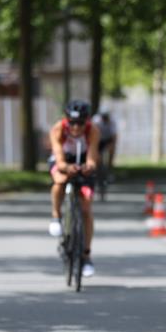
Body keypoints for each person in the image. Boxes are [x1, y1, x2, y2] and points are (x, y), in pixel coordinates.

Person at [48, 100, 100, 277]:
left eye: (80, 123)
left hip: (83, 160)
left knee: (86, 208)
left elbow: (92, 158)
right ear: (66, 120)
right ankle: (56, 216)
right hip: (63, 159)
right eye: (72, 123)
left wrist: (88, 167)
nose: (76, 128)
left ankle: (86, 255)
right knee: (59, 181)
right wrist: (65, 168)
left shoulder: (92, 131)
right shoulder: (58, 130)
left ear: (86, 121)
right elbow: (59, 157)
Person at [95, 110, 118, 178]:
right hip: (98, 139)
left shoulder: (112, 121)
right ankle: (97, 170)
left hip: (108, 139)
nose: (104, 119)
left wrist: (112, 145)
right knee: (97, 155)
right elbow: (94, 134)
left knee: (112, 151)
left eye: (106, 117)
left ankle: (109, 169)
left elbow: (114, 135)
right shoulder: (96, 120)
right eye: (103, 117)